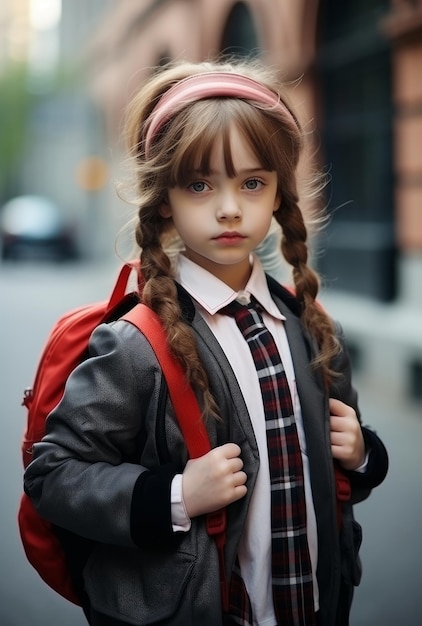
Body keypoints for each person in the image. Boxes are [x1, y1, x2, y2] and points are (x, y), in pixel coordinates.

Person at [24, 59, 388, 626]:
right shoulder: (136, 345)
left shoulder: (315, 331)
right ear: (165, 197)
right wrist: (175, 495)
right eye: (200, 184)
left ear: (277, 195)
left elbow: (335, 486)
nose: (228, 207)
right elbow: (54, 475)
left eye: (252, 183)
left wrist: (363, 455)